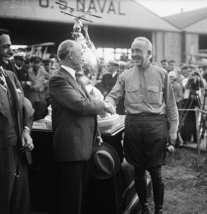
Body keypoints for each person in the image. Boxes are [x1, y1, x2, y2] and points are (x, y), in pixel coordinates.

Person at [105, 37, 179, 214]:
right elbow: (113, 96)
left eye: (138, 50)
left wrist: (173, 131)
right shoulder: (125, 75)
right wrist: (106, 102)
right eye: (133, 50)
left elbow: (170, 105)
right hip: (133, 127)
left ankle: (159, 209)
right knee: (138, 171)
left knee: (156, 172)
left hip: (156, 127)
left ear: (149, 53)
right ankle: (144, 206)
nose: (134, 54)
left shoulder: (162, 74)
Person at [49, 39, 115, 214]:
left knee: (81, 198)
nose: (84, 59)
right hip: (72, 149)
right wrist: (104, 104)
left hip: (83, 146)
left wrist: (97, 132)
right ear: (71, 55)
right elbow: (80, 105)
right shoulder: (58, 79)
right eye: (81, 54)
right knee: (72, 201)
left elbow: (86, 108)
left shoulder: (76, 78)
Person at [0, 28, 35, 214]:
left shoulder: (10, 76)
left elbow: (25, 104)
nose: (11, 51)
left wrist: (26, 130)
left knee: (20, 206)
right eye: (6, 47)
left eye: (10, 46)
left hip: (19, 155)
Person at [27, 56, 49, 120]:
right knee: (31, 115)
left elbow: (49, 79)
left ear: (40, 63)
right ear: (31, 63)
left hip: (41, 96)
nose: (36, 64)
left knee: (40, 115)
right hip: (31, 97)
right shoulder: (28, 71)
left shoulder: (43, 71)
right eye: (34, 63)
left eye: (38, 63)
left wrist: (44, 86)